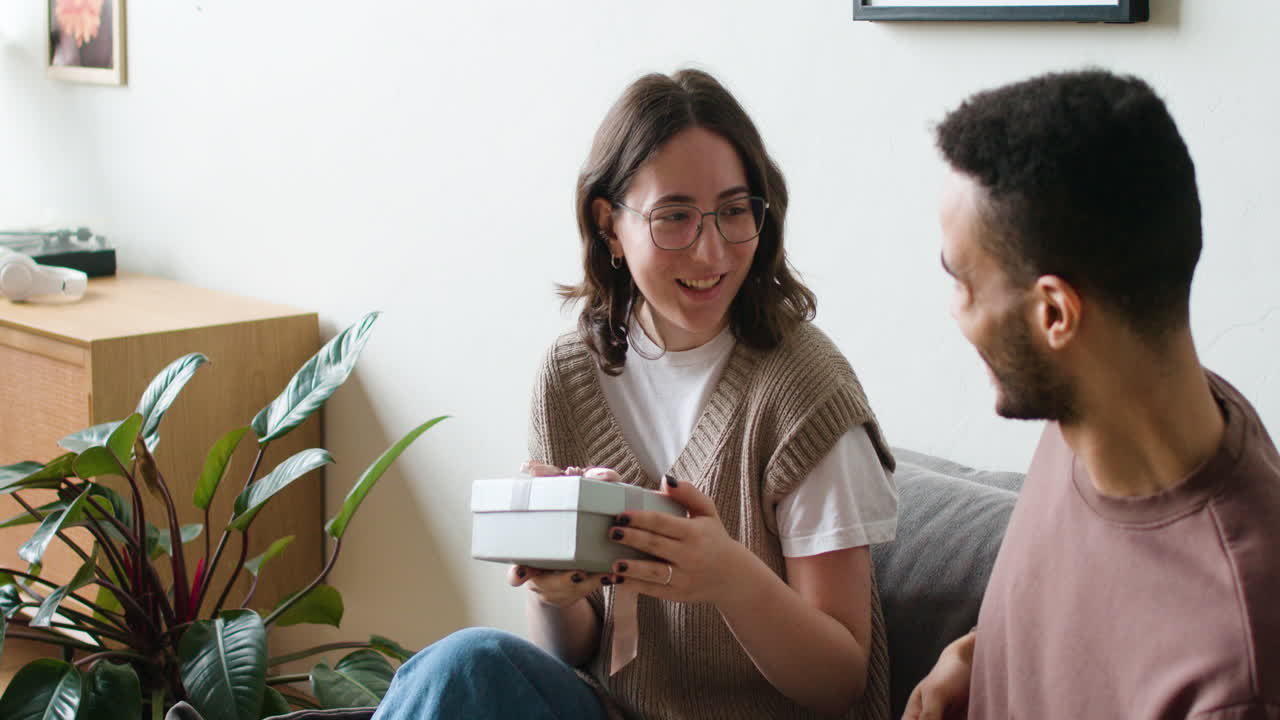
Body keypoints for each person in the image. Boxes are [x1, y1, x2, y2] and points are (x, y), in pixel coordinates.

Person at [374, 69, 899, 719]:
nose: (711, 251)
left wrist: (730, 580)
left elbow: (841, 683)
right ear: (610, 225)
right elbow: (574, 650)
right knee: (465, 665)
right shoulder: (570, 376)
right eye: (674, 217)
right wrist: (556, 592)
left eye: (735, 212)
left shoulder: (806, 392)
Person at [906, 69, 1280, 720]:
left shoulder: (1234, 669)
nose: (955, 312)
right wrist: (970, 659)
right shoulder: (1101, 410)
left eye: (963, 283)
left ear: (1055, 314)